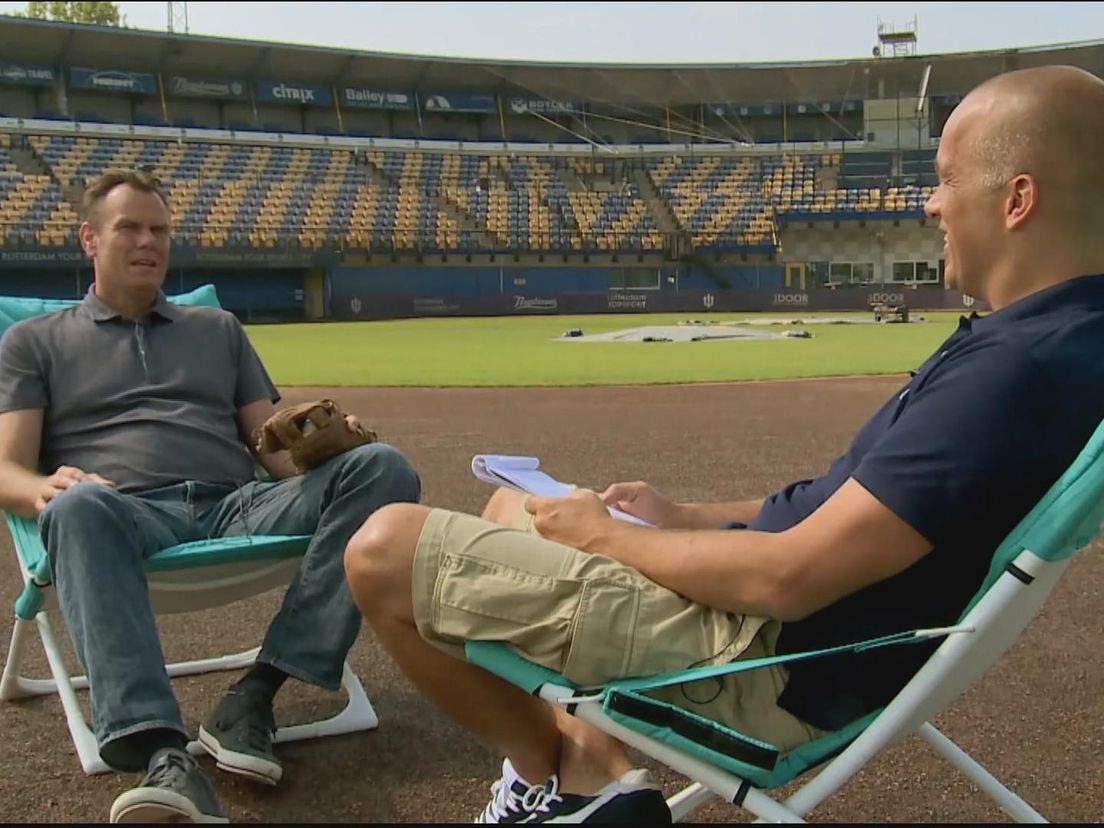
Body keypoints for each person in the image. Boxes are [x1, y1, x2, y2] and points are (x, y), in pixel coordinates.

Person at [342, 64, 1104, 824]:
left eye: (944, 179)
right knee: (516, 505)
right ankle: (594, 786)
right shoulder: (1054, 342)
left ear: (1017, 200)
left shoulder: (1014, 374)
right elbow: (845, 506)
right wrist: (685, 518)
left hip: (765, 663)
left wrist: (609, 539)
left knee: (382, 551)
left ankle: (556, 783)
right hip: (777, 628)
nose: (931, 203)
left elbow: (789, 577)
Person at [0, 170, 422, 824]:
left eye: (160, 230)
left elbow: (271, 451)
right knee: (76, 507)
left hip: (235, 504)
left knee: (383, 468)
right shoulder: (33, 341)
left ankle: (255, 694)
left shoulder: (217, 328)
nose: (149, 241)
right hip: (126, 512)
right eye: (130, 228)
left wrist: (333, 453)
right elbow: (8, 470)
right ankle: (164, 751)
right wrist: (45, 487)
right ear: (89, 238)